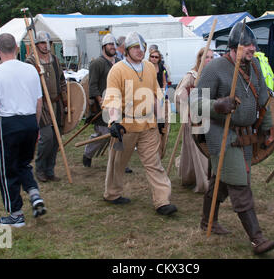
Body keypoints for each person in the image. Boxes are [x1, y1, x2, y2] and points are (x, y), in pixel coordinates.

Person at [193, 22, 274, 254]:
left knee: (221, 182)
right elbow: (194, 104)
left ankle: (207, 221)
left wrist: (267, 127)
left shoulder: (256, 65)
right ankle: (256, 238)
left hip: (246, 134)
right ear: (232, 47)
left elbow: (262, 99)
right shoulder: (215, 68)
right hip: (221, 132)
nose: (251, 48)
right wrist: (217, 105)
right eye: (245, 45)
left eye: (252, 44)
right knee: (239, 183)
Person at [102, 31, 177, 216]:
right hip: (125, 126)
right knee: (118, 163)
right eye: (135, 47)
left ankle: (162, 201)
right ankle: (112, 194)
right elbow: (112, 97)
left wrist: (160, 118)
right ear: (127, 50)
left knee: (154, 163)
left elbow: (156, 93)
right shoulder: (117, 70)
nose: (140, 51)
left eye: (142, 47)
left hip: (148, 125)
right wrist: (113, 121)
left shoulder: (150, 67)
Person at [0, 33, 46, 227]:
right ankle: (33, 192)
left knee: (7, 169)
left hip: (10, 125)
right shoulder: (31, 70)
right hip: (30, 122)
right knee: (23, 163)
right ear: (16, 47)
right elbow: (39, 102)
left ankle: (15, 214)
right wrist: (36, 125)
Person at [83, 33, 132, 174]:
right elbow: (92, 85)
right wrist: (100, 101)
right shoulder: (97, 63)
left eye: (114, 44)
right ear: (104, 46)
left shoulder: (119, 62)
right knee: (102, 135)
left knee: (120, 132)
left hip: (119, 105)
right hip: (102, 105)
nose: (112, 47)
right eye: (109, 44)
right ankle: (88, 154)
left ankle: (120, 163)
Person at [26, 31, 67, 182]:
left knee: (56, 138)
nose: (45, 46)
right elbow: (27, 84)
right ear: (36, 45)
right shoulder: (30, 62)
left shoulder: (55, 60)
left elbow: (62, 80)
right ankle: (40, 168)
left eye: (47, 43)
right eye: (42, 43)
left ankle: (50, 170)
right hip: (41, 105)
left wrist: (65, 98)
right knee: (47, 137)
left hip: (56, 104)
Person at [174, 47, 213, 193]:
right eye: (206, 57)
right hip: (195, 120)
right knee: (198, 152)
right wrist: (191, 99)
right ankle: (204, 183)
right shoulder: (192, 75)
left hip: (209, 119)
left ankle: (190, 176)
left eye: (211, 57)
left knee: (201, 151)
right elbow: (179, 93)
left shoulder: (211, 75)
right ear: (200, 59)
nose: (209, 60)